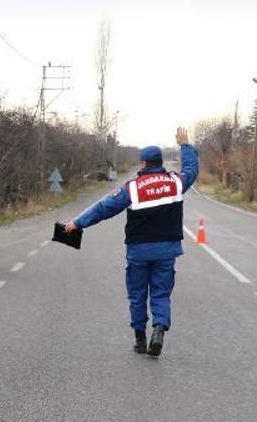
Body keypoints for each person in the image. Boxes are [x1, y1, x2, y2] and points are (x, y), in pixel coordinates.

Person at [65, 127, 198, 357]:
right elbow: (191, 169)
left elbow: (104, 208)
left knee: (137, 294)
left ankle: (140, 339)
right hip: (167, 251)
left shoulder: (133, 188)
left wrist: (78, 223)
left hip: (138, 252)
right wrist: (185, 145)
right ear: (160, 161)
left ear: (144, 164)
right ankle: (159, 329)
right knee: (161, 293)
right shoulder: (176, 183)